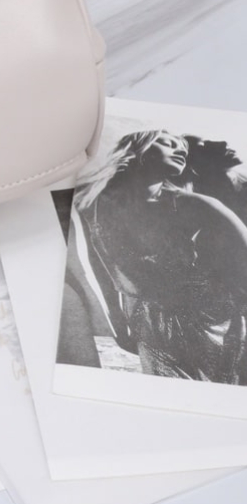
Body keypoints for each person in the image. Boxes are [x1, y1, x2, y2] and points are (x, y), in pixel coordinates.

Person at [75, 129, 247, 383]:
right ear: (138, 151)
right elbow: (102, 267)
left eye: (183, 149)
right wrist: (118, 320)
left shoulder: (195, 204)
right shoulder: (95, 204)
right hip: (149, 323)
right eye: (168, 144)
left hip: (212, 321)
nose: (180, 151)